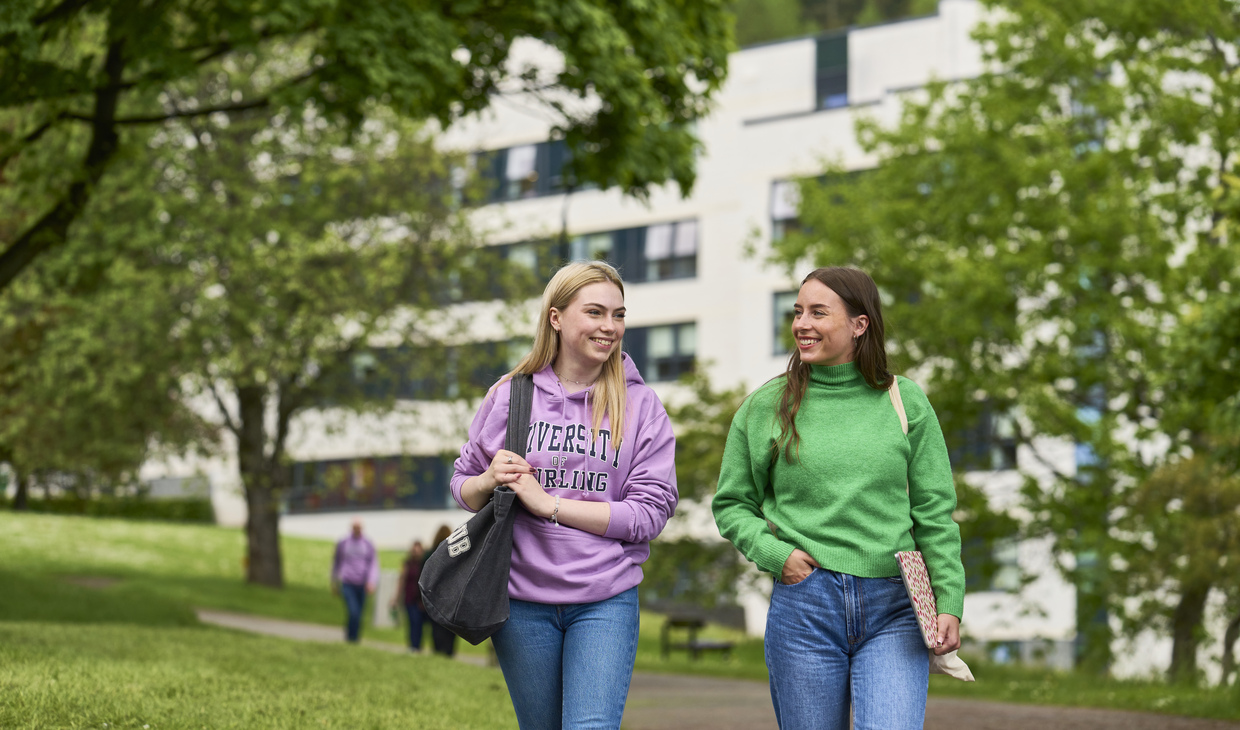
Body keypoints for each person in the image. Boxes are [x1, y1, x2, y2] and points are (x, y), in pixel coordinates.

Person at [711, 266, 965, 730]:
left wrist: (948, 599)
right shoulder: (767, 406)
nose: (802, 324)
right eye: (798, 312)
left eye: (818, 312)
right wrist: (776, 555)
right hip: (806, 604)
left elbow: (934, 512)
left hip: (895, 606)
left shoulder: (904, 401)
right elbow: (731, 504)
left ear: (859, 324)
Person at [451, 261, 678, 729]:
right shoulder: (510, 397)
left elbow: (649, 514)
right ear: (556, 318)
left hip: (605, 599)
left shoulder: (640, 406)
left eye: (618, 315)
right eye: (595, 312)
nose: (609, 327)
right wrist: (490, 478)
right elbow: (464, 486)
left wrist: (548, 504)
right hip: (520, 602)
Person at [331, 518, 379, 644]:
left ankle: (355, 637)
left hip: (362, 583)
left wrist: (371, 581)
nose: (357, 529)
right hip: (347, 582)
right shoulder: (344, 543)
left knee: (359, 613)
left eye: (359, 527)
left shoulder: (367, 544)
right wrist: (334, 581)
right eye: (355, 527)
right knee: (353, 611)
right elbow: (336, 562)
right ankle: (350, 637)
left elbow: (373, 564)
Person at [423, 524, 458, 657]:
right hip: (451, 599)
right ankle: (449, 652)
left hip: (434, 598)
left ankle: (437, 650)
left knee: (436, 627)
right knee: (451, 628)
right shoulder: (454, 553)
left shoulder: (429, 554)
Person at [391, 540, 426, 652]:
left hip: (420, 599)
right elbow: (402, 580)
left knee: (419, 623)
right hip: (410, 598)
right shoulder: (407, 564)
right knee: (412, 621)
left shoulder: (423, 564)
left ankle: (417, 646)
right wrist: (397, 597)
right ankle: (413, 645)